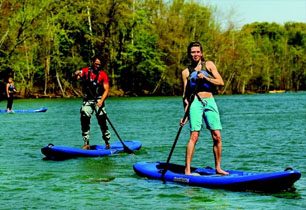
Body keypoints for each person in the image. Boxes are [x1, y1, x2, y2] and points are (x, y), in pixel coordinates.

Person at [180, 41, 229, 175]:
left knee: (217, 136)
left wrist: (206, 79)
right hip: (195, 102)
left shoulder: (209, 65)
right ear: (189, 54)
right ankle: (187, 169)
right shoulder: (186, 72)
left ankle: (218, 168)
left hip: (210, 101)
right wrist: (185, 114)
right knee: (194, 136)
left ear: (201, 53)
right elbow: (185, 95)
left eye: (197, 52)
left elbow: (220, 82)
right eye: (192, 52)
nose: (195, 54)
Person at [75, 55, 111, 150]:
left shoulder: (103, 74)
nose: (97, 66)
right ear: (93, 63)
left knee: (102, 120)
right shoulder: (86, 71)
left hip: (99, 99)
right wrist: (77, 74)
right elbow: (78, 76)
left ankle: (107, 142)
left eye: (99, 64)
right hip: (88, 100)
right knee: (84, 115)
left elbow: (106, 90)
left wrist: (101, 101)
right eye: (96, 64)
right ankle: (86, 143)